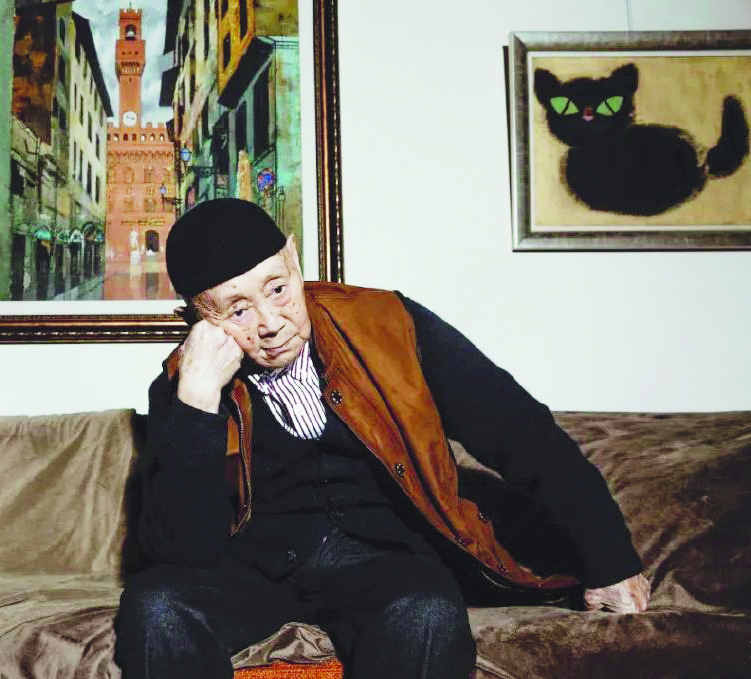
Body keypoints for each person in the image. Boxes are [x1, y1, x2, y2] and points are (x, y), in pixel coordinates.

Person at [114, 198, 650, 678]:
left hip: (384, 563)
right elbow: (181, 552)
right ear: (198, 318)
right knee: (156, 607)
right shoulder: (183, 385)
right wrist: (198, 402)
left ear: (295, 259)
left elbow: (522, 432)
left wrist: (611, 559)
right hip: (253, 571)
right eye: (238, 310)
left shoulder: (388, 323)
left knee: (427, 611)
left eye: (277, 289)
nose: (271, 322)